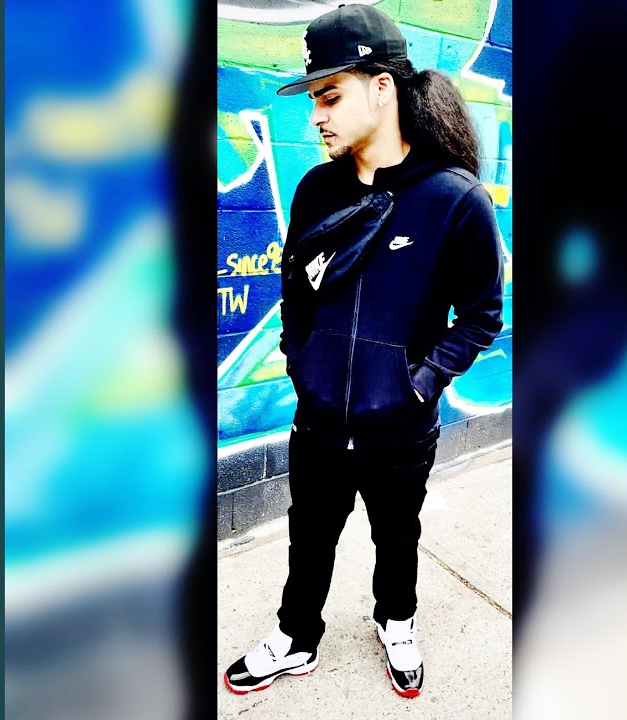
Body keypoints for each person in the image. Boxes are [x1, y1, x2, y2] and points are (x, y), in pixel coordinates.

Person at [223, 3, 504, 699]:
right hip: (318, 420)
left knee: (397, 535)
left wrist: (419, 384)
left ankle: (397, 622)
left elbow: (480, 317)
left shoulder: (454, 200)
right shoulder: (317, 189)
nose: (316, 115)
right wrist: (301, 362)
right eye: (314, 99)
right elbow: (297, 290)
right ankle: (295, 637)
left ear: (382, 87)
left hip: (399, 425)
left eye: (330, 95)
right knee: (309, 534)